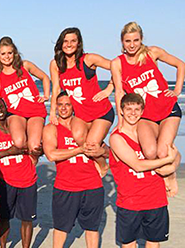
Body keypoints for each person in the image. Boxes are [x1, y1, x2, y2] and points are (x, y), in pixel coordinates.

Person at [110, 21, 183, 196]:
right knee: (150, 153)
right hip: (146, 115)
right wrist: (121, 122)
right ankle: (168, 163)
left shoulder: (152, 52)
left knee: (163, 151)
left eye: (136, 40)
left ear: (141, 39)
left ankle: (171, 172)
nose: (132, 45)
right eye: (128, 41)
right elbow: (119, 92)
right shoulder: (117, 63)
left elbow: (181, 64)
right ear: (122, 42)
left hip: (168, 109)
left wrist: (177, 90)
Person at [109, 93, 180, 248]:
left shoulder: (151, 136)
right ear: (121, 111)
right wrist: (167, 161)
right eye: (128, 109)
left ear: (142, 112)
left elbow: (176, 154)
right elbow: (137, 165)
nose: (133, 113)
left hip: (156, 199)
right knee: (128, 244)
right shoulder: (117, 138)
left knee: (153, 243)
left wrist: (172, 168)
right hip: (130, 202)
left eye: (137, 109)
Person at [42, 92, 109, 248]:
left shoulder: (86, 126)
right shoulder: (51, 128)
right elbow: (51, 155)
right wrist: (79, 149)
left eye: (68, 104)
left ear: (74, 107)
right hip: (66, 186)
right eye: (60, 105)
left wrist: (101, 154)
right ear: (56, 107)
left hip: (92, 185)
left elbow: (107, 151)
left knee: (92, 228)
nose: (64, 108)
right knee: (61, 228)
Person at [0, 97, 38, 248]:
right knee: (5, 217)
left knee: (27, 219)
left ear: (6, 107)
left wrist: (37, 152)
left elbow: (36, 145)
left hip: (28, 179)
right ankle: (3, 246)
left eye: (1, 107)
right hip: (6, 181)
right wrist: (9, 152)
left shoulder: (19, 126)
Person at [49, 27, 115, 150]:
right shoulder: (56, 64)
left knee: (91, 145)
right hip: (81, 115)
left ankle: (106, 161)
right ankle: (106, 151)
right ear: (60, 44)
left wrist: (109, 88)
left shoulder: (89, 59)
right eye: (65, 41)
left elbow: (118, 66)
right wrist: (52, 112)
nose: (69, 44)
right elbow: (56, 90)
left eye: (73, 41)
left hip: (101, 112)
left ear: (79, 43)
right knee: (79, 139)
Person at [0, 36, 49, 154]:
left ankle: (30, 168)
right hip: (15, 113)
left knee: (34, 146)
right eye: (3, 54)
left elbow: (44, 77)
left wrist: (46, 95)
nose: (7, 56)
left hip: (35, 111)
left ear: (15, 54)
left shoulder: (25, 65)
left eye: (10, 53)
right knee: (19, 142)